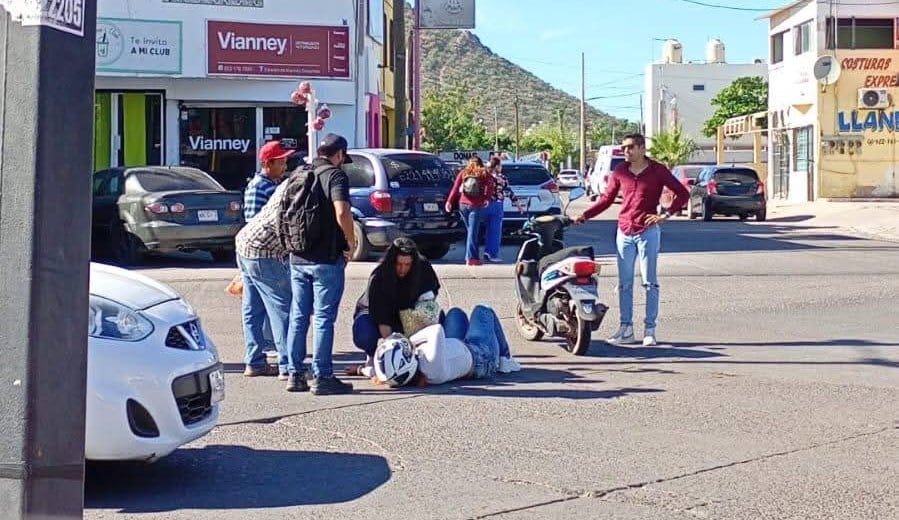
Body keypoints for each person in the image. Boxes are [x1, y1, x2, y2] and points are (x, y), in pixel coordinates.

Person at [574, 133, 689, 347]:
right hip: (624, 230)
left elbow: (682, 194)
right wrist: (585, 215)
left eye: (629, 147)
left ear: (642, 148)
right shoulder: (620, 171)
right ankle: (626, 328)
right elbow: (607, 199)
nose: (625, 151)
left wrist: (664, 215)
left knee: (649, 282)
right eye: (624, 148)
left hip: (648, 230)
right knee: (624, 284)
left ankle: (649, 330)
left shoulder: (657, 170)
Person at [284, 133, 358, 395]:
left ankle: (294, 374)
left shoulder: (298, 173)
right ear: (338, 154)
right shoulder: (335, 176)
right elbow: (342, 211)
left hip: (297, 255)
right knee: (324, 318)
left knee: (298, 316)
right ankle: (323, 376)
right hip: (326, 258)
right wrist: (350, 242)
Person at [238, 140, 294, 377]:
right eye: (281, 161)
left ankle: (255, 361)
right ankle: (288, 364)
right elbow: (253, 221)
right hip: (261, 251)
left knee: (254, 306)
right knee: (282, 306)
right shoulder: (257, 187)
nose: (285, 164)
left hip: (251, 249)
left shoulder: (275, 184)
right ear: (267, 163)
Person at [350, 238, 441, 376]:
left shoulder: (423, 267)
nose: (402, 269)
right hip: (376, 314)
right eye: (399, 264)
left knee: (440, 321)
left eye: (407, 264)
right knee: (365, 333)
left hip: (408, 312)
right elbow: (383, 322)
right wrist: (391, 354)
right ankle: (371, 355)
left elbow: (432, 294)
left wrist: (421, 312)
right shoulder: (379, 277)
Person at [446, 156, 496, 266]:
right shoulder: (483, 173)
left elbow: (455, 187)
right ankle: (472, 258)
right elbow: (491, 186)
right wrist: (487, 198)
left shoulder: (464, 172)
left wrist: (449, 202)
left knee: (470, 232)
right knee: (473, 232)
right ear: (480, 163)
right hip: (476, 205)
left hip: (463, 204)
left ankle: (473, 256)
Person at [482, 156, 521, 263]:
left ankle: (485, 252)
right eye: (501, 165)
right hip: (497, 205)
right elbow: (509, 192)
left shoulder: (485, 176)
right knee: (495, 231)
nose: (502, 168)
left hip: (483, 205)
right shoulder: (501, 178)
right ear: (497, 166)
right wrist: (518, 205)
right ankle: (492, 254)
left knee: (486, 230)